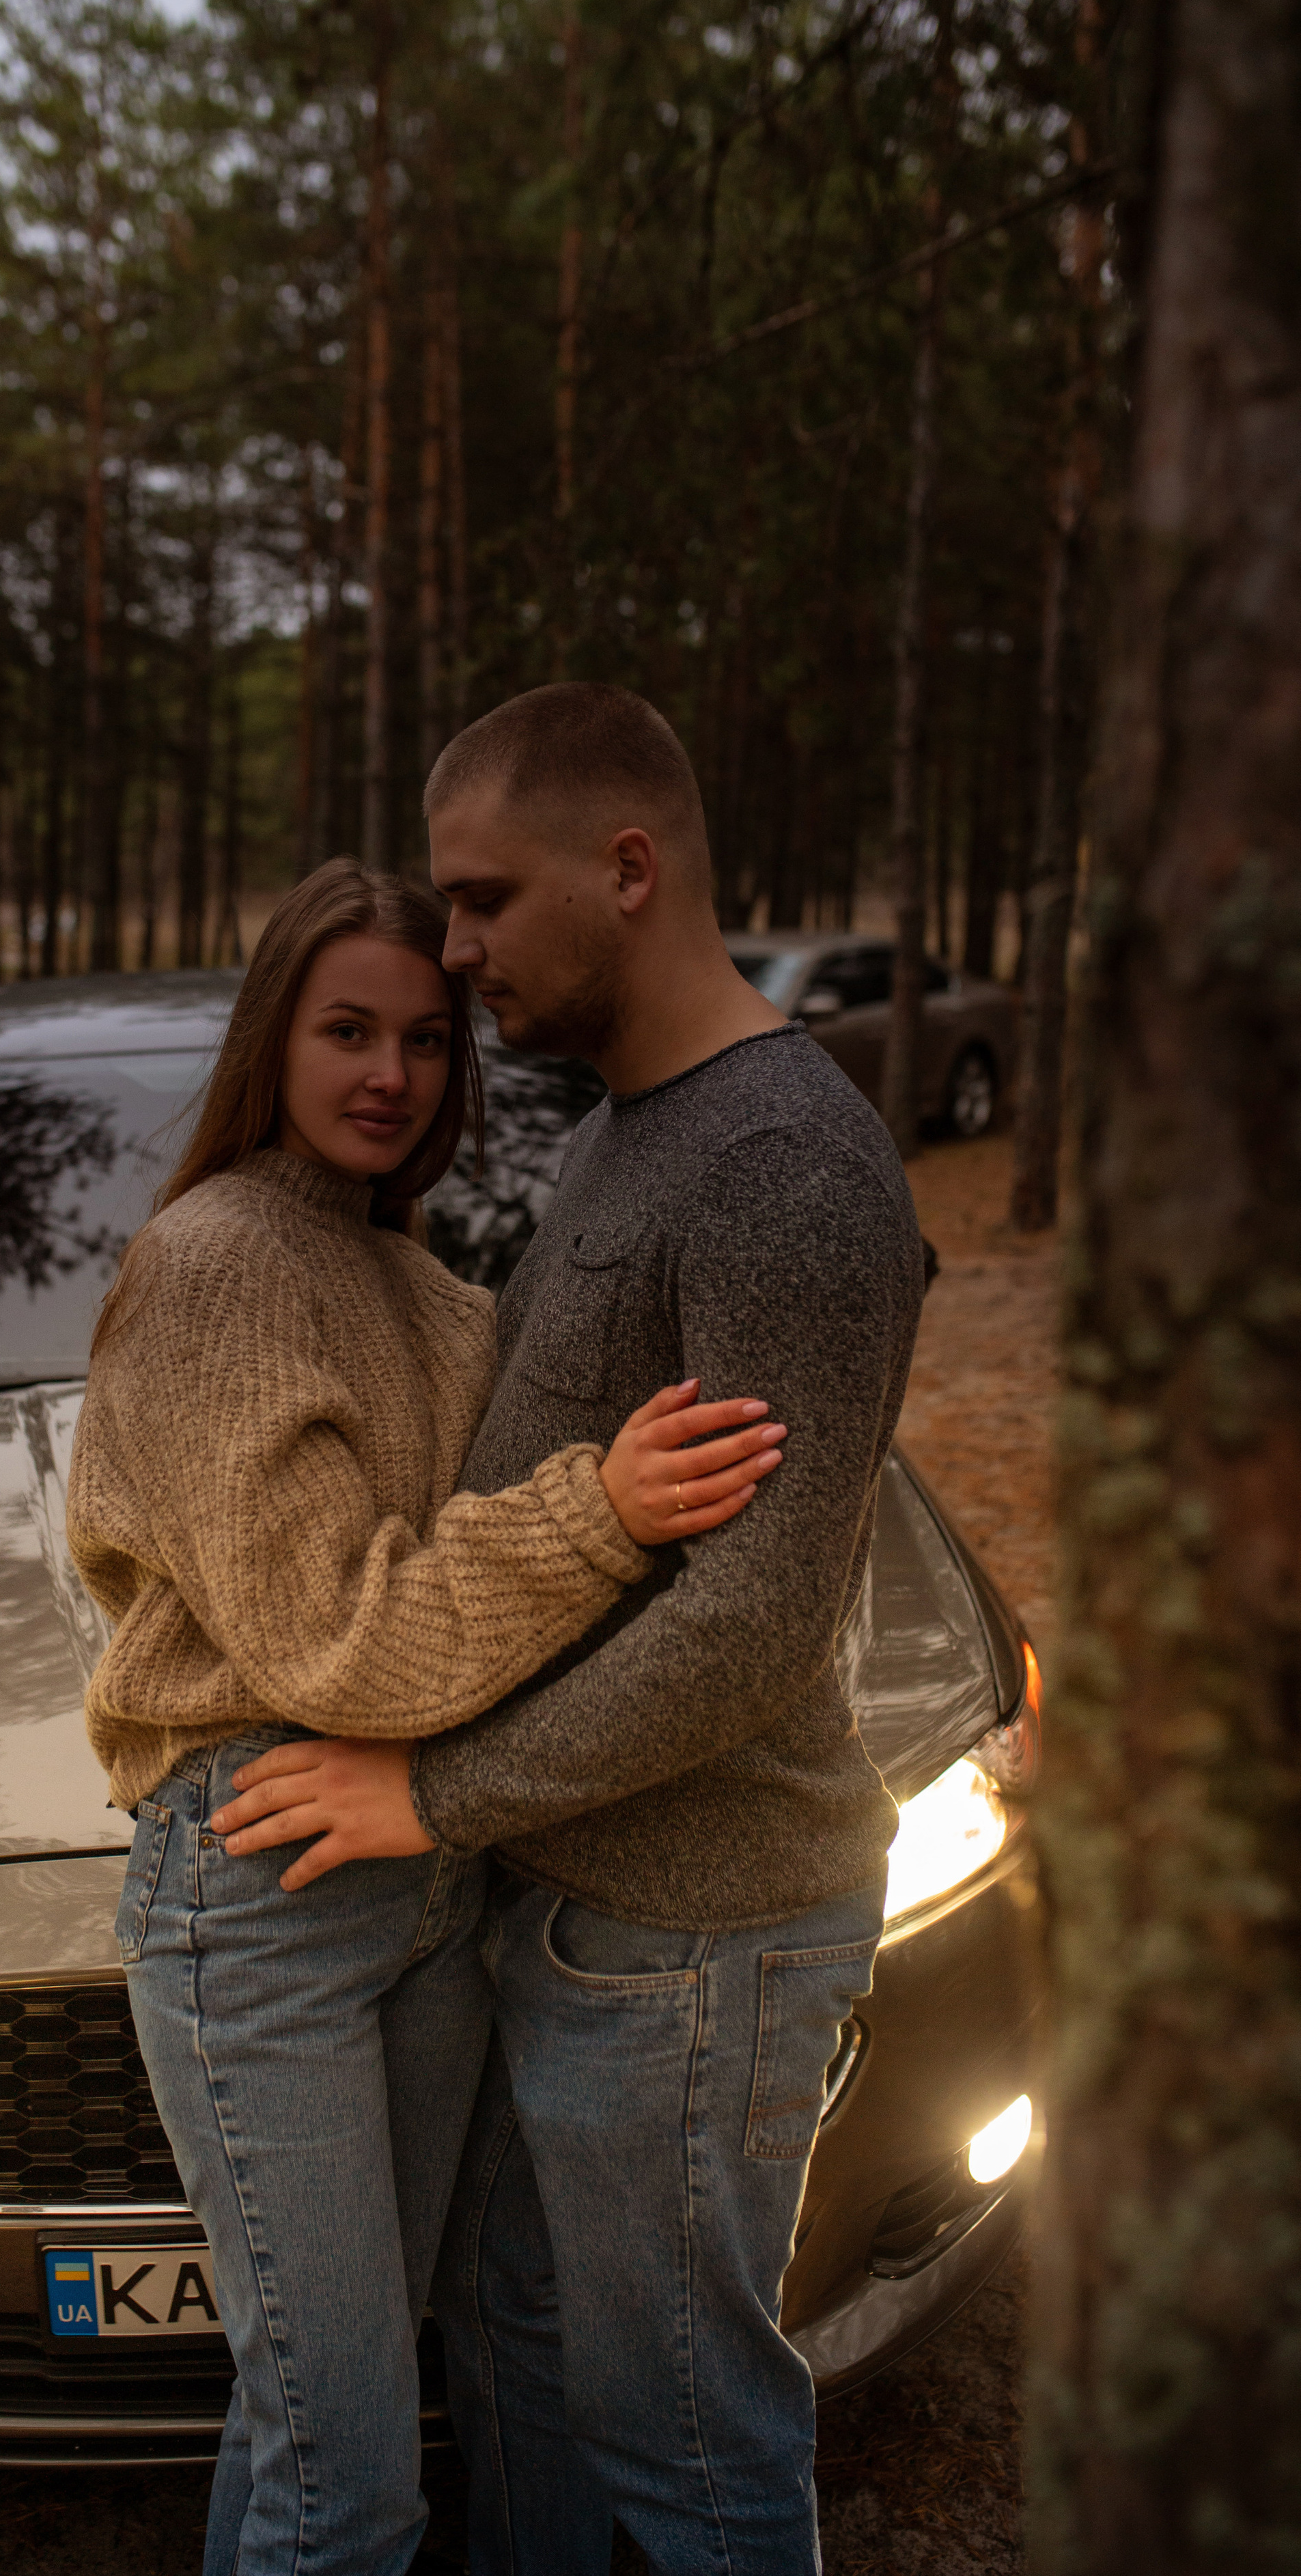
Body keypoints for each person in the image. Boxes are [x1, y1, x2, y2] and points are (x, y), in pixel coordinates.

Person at [211, 686, 926, 2575]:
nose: (455, 955)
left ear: (627, 871)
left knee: (688, 2443)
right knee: (529, 2365)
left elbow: (756, 1627)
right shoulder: (639, 1129)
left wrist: (431, 1792)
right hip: (587, 1922)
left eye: (480, 900)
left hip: (696, 1938)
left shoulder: (778, 1162)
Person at [66, 856, 789, 2576]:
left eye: (425, 1038)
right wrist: (594, 1511)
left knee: (317, 2416)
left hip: (425, 1884)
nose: (389, 1071)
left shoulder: (428, 1290)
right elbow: (339, 1640)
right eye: (344, 1029)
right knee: (356, 2485)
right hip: (264, 1903)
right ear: (273, 1039)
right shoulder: (219, 1262)